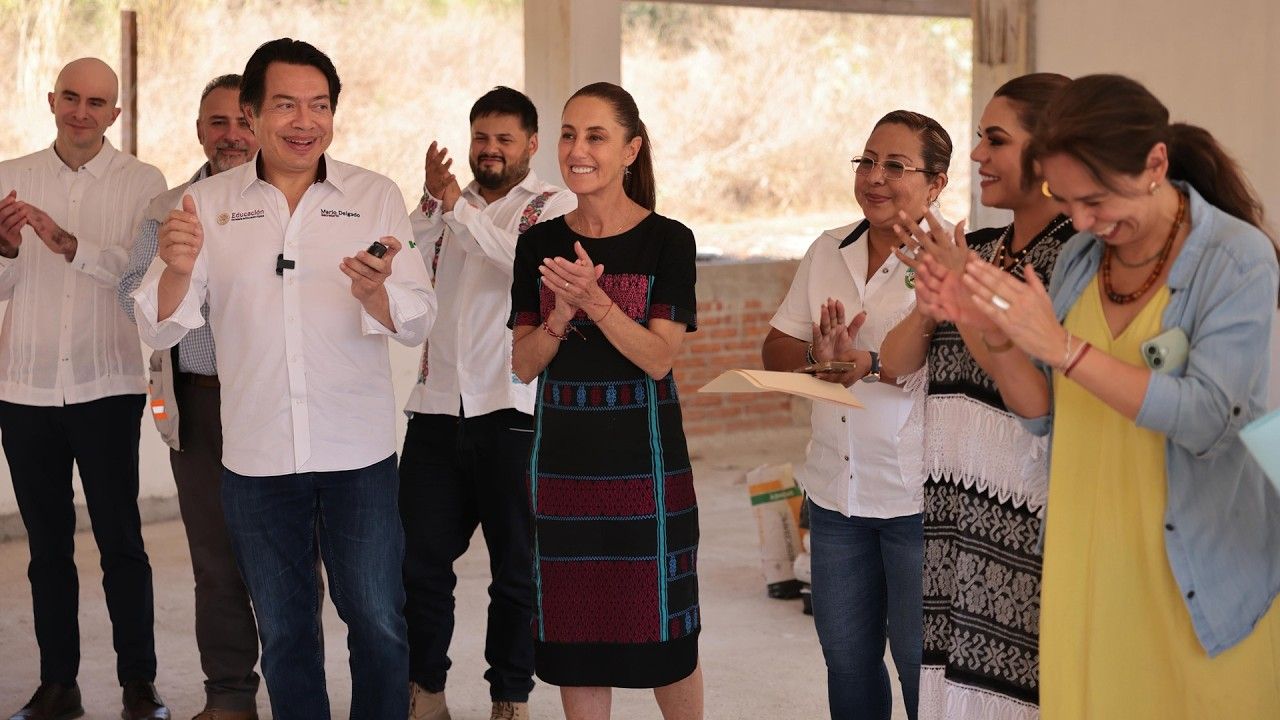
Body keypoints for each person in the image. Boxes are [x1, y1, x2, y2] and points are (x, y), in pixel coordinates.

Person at [945, 74, 1280, 718]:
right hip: (1086, 553)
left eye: (1095, 200)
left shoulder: (1236, 259)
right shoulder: (1080, 258)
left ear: (1156, 163)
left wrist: (1064, 349)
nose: (1083, 221)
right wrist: (993, 332)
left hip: (1190, 569)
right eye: (1067, 202)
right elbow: (1044, 415)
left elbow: (1211, 418)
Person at [131, 38, 435, 720]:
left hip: (356, 455)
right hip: (256, 459)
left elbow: (418, 317)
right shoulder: (205, 204)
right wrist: (178, 269)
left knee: (381, 624)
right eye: (287, 104)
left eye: (320, 105)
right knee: (287, 633)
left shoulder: (374, 195)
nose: (306, 121)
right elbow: (156, 326)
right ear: (252, 113)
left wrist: (377, 295)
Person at [880, 73, 1072, 720]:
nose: (979, 156)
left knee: (1010, 684)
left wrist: (965, 297)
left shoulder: (1072, 256)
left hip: (1021, 510)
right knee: (948, 678)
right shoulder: (978, 248)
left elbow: (1040, 400)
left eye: (996, 139)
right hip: (952, 501)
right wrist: (933, 304)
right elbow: (897, 365)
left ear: (1048, 154)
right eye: (979, 138)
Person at [509, 82, 702, 720]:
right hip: (562, 468)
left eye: (595, 135)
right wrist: (561, 314)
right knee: (575, 639)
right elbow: (524, 362)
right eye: (568, 134)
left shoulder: (669, 240)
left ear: (630, 150)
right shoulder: (539, 244)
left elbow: (658, 357)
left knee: (667, 636)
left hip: (645, 467)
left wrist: (596, 302)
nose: (577, 149)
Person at [761, 110, 952, 720]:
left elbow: (938, 368)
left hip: (916, 499)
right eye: (866, 161)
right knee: (846, 660)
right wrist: (816, 354)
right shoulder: (828, 249)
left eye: (895, 165)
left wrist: (867, 361)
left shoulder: (952, 262)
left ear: (937, 183)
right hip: (835, 494)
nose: (874, 176)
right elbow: (774, 350)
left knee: (922, 666)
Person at [0, 58, 169, 720]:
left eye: (96, 102)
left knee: (122, 541)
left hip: (107, 384)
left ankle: (139, 683)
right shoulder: (10, 177)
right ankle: (58, 685)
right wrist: (8, 249)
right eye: (70, 97)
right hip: (26, 387)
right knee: (46, 549)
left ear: (115, 113)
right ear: (51, 99)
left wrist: (70, 243)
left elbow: (141, 279)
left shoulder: (143, 183)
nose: (81, 111)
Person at [401, 86, 575, 720]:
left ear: (531, 144)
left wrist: (458, 213)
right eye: (481, 138)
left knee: (515, 572)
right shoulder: (449, 206)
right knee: (417, 567)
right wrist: (433, 204)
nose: (490, 150)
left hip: (513, 411)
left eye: (505, 140)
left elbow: (527, 267)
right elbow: (409, 264)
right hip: (436, 409)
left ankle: (510, 698)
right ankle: (427, 691)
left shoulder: (553, 205)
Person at [117, 73, 263, 720]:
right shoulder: (166, 209)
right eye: (217, 122)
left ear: (259, 123)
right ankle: (229, 695)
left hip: (276, 401)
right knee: (213, 556)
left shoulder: (291, 201)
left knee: (289, 554)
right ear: (199, 128)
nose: (230, 135)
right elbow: (132, 296)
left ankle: (296, 689)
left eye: (241, 121)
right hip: (200, 404)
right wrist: (171, 270)